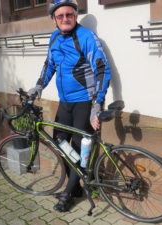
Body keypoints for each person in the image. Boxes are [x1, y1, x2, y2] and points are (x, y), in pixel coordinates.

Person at [28, 0, 111, 212]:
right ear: (54, 19)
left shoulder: (86, 37)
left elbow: (102, 70)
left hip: (84, 102)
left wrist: (97, 105)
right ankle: (74, 188)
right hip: (65, 103)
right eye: (60, 16)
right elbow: (49, 65)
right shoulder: (55, 37)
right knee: (60, 141)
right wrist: (38, 87)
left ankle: (69, 193)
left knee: (78, 148)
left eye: (69, 15)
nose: (65, 19)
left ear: (75, 15)